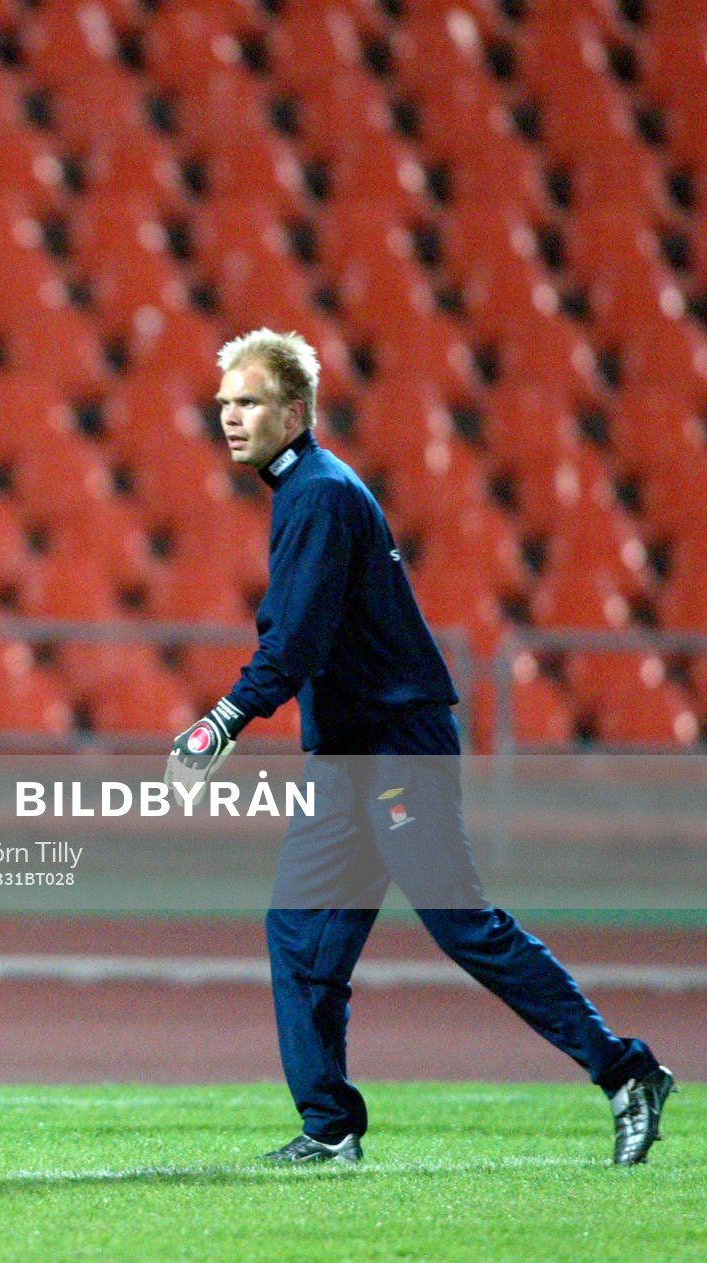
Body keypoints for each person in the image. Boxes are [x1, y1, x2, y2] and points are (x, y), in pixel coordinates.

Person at [167, 328, 673, 1165]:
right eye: (223, 401)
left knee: (462, 924)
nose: (229, 415)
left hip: (397, 746)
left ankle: (626, 1073)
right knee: (298, 931)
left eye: (248, 401)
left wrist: (221, 720)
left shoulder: (321, 496)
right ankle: (329, 1127)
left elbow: (294, 643)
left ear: (295, 412)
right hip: (354, 752)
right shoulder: (307, 492)